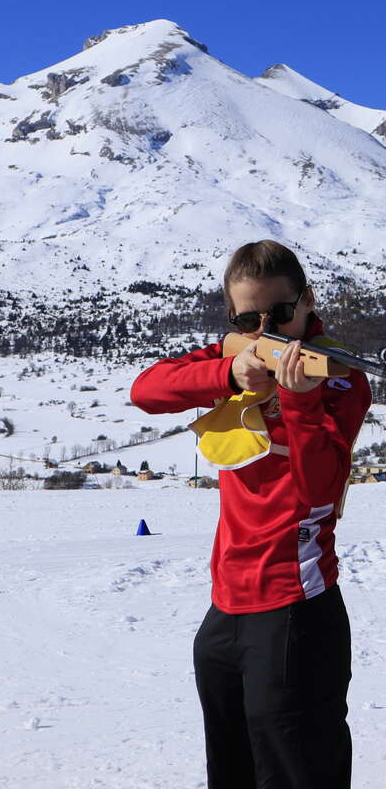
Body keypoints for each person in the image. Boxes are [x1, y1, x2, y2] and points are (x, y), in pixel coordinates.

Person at [130, 240, 372, 789]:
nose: (266, 330)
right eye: (247, 319)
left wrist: (300, 401)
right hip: (226, 608)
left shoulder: (338, 377)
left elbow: (320, 488)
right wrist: (229, 373)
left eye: (280, 313)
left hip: (294, 607)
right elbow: (146, 390)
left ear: (307, 301)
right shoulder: (237, 357)